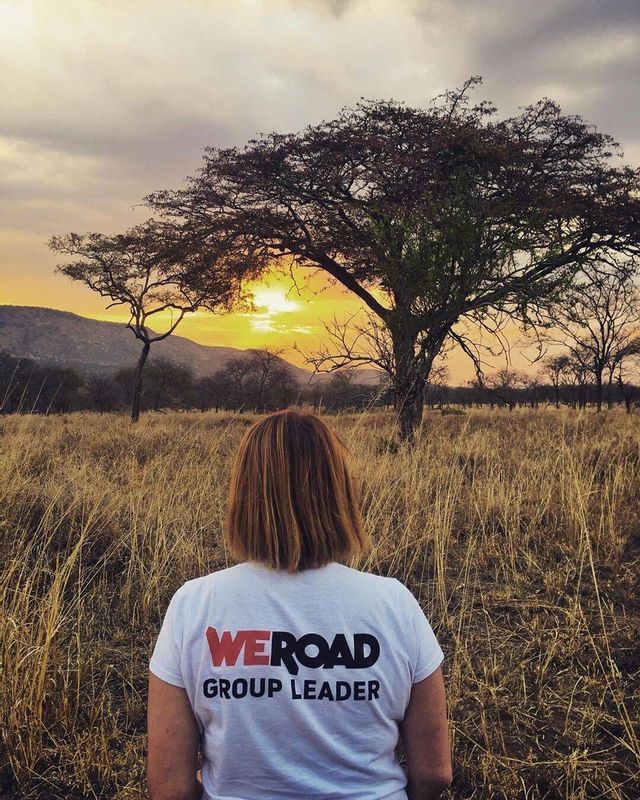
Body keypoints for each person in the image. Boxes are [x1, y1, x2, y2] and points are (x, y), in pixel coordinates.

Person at [147, 409, 452, 800]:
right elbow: (435, 773)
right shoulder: (394, 603)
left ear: (245, 496)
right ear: (339, 493)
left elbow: (169, 788)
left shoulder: (194, 604)